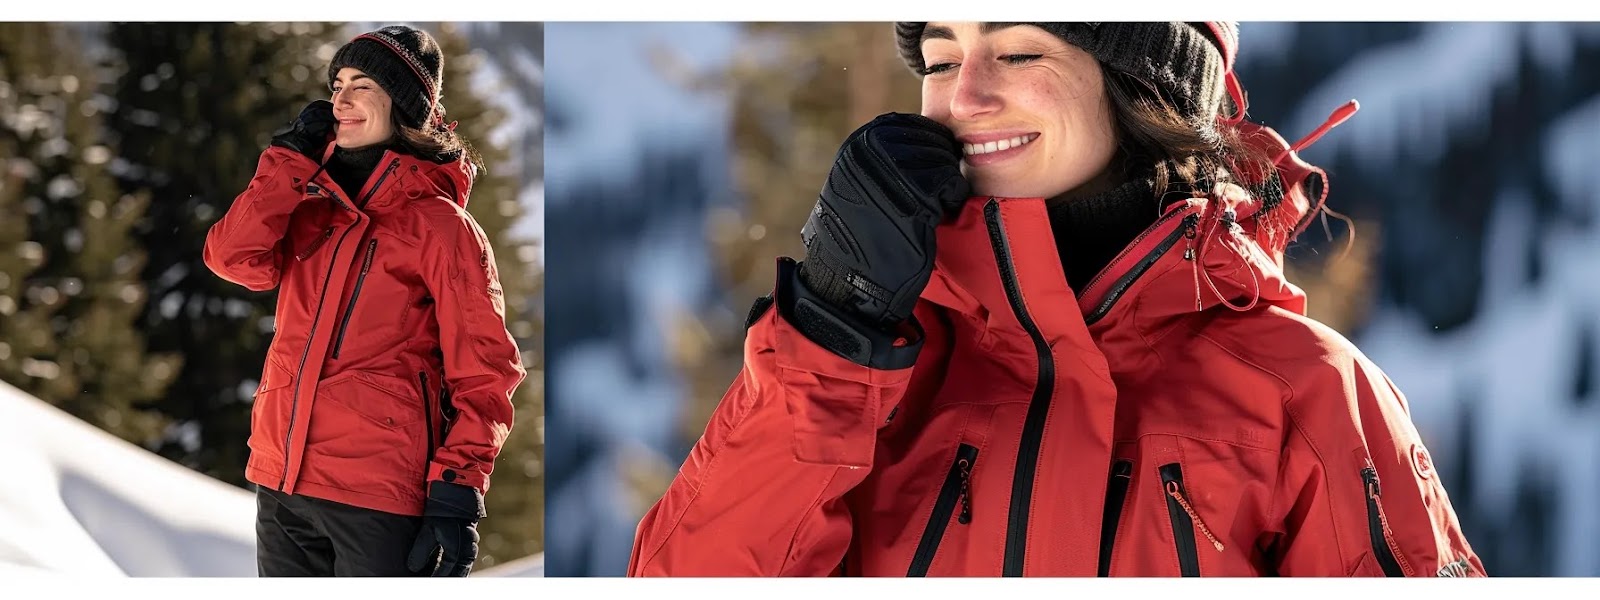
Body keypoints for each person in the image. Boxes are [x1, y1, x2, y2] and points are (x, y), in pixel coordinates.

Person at [628, 22, 1484, 577]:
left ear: (1142, 85)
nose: (963, 97)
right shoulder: (864, 365)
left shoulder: (1309, 392)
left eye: (1019, 51)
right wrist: (829, 322)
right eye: (939, 59)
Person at [203, 25, 525, 577]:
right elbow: (233, 259)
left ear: (402, 105)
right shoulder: (311, 202)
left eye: (363, 85)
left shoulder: (442, 228)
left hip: (377, 496)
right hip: (283, 482)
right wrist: (289, 159)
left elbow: (485, 372)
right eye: (337, 84)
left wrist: (457, 490)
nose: (340, 99)